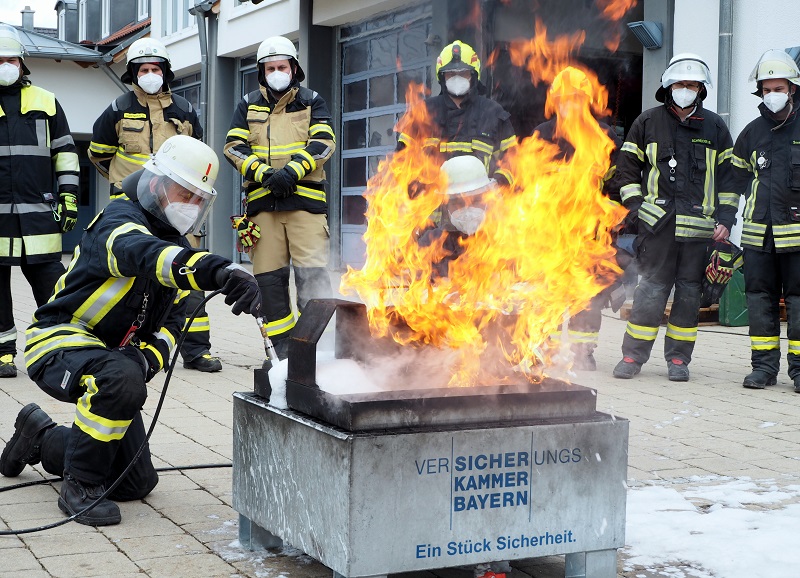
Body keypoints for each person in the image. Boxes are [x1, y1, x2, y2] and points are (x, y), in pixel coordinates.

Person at [0, 135, 261, 526]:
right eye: (184, 194)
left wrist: (145, 360)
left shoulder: (175, 241)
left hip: (115, 359)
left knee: (136, 482)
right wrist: (218, 270)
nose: (190, 206)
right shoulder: (118, 221)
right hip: (59, 340)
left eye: (197, 199)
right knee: (121, 379)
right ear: (156, 184)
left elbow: (172, 326)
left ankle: (39, 437)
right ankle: (79, 487)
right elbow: (146, 255)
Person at [88, 37, 222, 373]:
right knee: (135, 275)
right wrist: (123, 183)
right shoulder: (117, 109)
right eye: (144, 69)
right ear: (133, 73)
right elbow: (98, 154)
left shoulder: (184, 110)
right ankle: (125, 341)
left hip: (175, 211)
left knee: (188, 271)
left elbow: (196, 155)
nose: (151, 74)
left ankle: (197, 351)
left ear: (165, 72)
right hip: (131, 209)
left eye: (156, 69)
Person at [612, 53, 737, 382]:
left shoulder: (715, 127)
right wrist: (638, 210)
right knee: (650, 293)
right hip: (658, 228)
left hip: (699, 232)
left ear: (701, 90)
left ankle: (679, 360)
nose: (686, 90)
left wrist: (726, 219)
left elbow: (729, 178)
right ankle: (632, 356)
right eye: (681, 84)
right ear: (668, 86)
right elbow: (626, 172)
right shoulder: (647, 122)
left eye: (692, 85)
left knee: (689, 296)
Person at [224, 35, 336, 361]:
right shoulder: (247, 104)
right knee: (270, 286)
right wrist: (264, 174)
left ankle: (318, 352)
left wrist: (292, 172)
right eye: (270, 68)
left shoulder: (312, 101)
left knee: (312, 280)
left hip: (305, 207)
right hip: (264, 208)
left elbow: (324, 143)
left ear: (294, 68)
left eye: (282, 67)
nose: (277, 72)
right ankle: (283, 356)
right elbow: (233, 147)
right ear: (262, 71)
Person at [397, 40, 517, 280]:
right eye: (451, 73)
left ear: (474, 75)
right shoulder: (422, 113)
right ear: (442, 77)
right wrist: (416, 189)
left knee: (481, 286)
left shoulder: (493, 113)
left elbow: (514, 160)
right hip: (433, 225)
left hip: (481, 222)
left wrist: (498, 185)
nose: (457, 78)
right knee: (432, 288)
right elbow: (401, 160)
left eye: (463, 73)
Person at [533, 66, 625, 371]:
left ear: (586, 100)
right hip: (549, 233)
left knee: (586, 296)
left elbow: (616, 184)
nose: (569, 104)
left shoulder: (604, 136)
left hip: (589, 234)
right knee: (546, 293)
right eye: (563, 99)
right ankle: (543, 350)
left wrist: (612, 219)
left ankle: (582, 352)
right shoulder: (543, 134)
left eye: (575, 98)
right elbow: (528, 182)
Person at [0, 24, 78, 378]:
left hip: (39, 215)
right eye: (0, 61)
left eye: (11, 60)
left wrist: (69, 196)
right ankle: (3, 353)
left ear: (22, 63)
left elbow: (65, 153)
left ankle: (62, 347)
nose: (6, 66)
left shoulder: (46, 101)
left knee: (53, 285)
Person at [731, 49, 800, 393]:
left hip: (797, 236)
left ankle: (799, 370)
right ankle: (763, 367)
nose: (772, 95)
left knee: (799, 301)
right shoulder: (752, 133)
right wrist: (725, 219)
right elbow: (734, 181)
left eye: (779, 89)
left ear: (792, 89)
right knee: (759, 300)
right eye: (767, 89)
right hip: (758, 235)